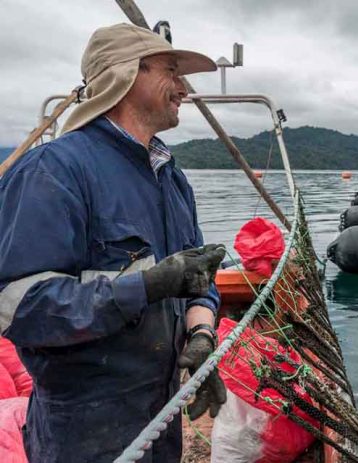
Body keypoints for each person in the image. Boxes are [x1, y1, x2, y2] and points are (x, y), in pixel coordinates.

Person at [0, 23, 228, 462]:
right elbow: (17, 305)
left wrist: (200, 337)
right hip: (82, 431)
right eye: (171, 71)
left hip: (160, 416)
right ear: (126, 74)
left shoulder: (172, 178)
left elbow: (200, 280)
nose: (183, 87)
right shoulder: (52, 171)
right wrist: (147, 287)